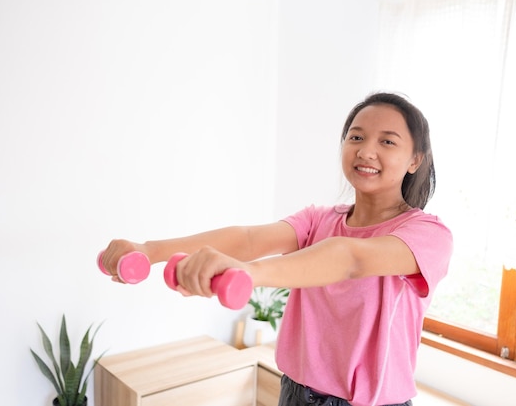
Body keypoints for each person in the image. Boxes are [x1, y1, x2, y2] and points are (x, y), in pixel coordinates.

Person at [99, 92, 453, 406]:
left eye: (387, 142)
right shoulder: (317, 219)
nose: (366, 150)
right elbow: (248, 239)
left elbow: (350, 259)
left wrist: (248, 274)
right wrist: (148, 250)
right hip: (295, 393)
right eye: (356, 137)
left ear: (415, 160)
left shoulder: (427, 235)